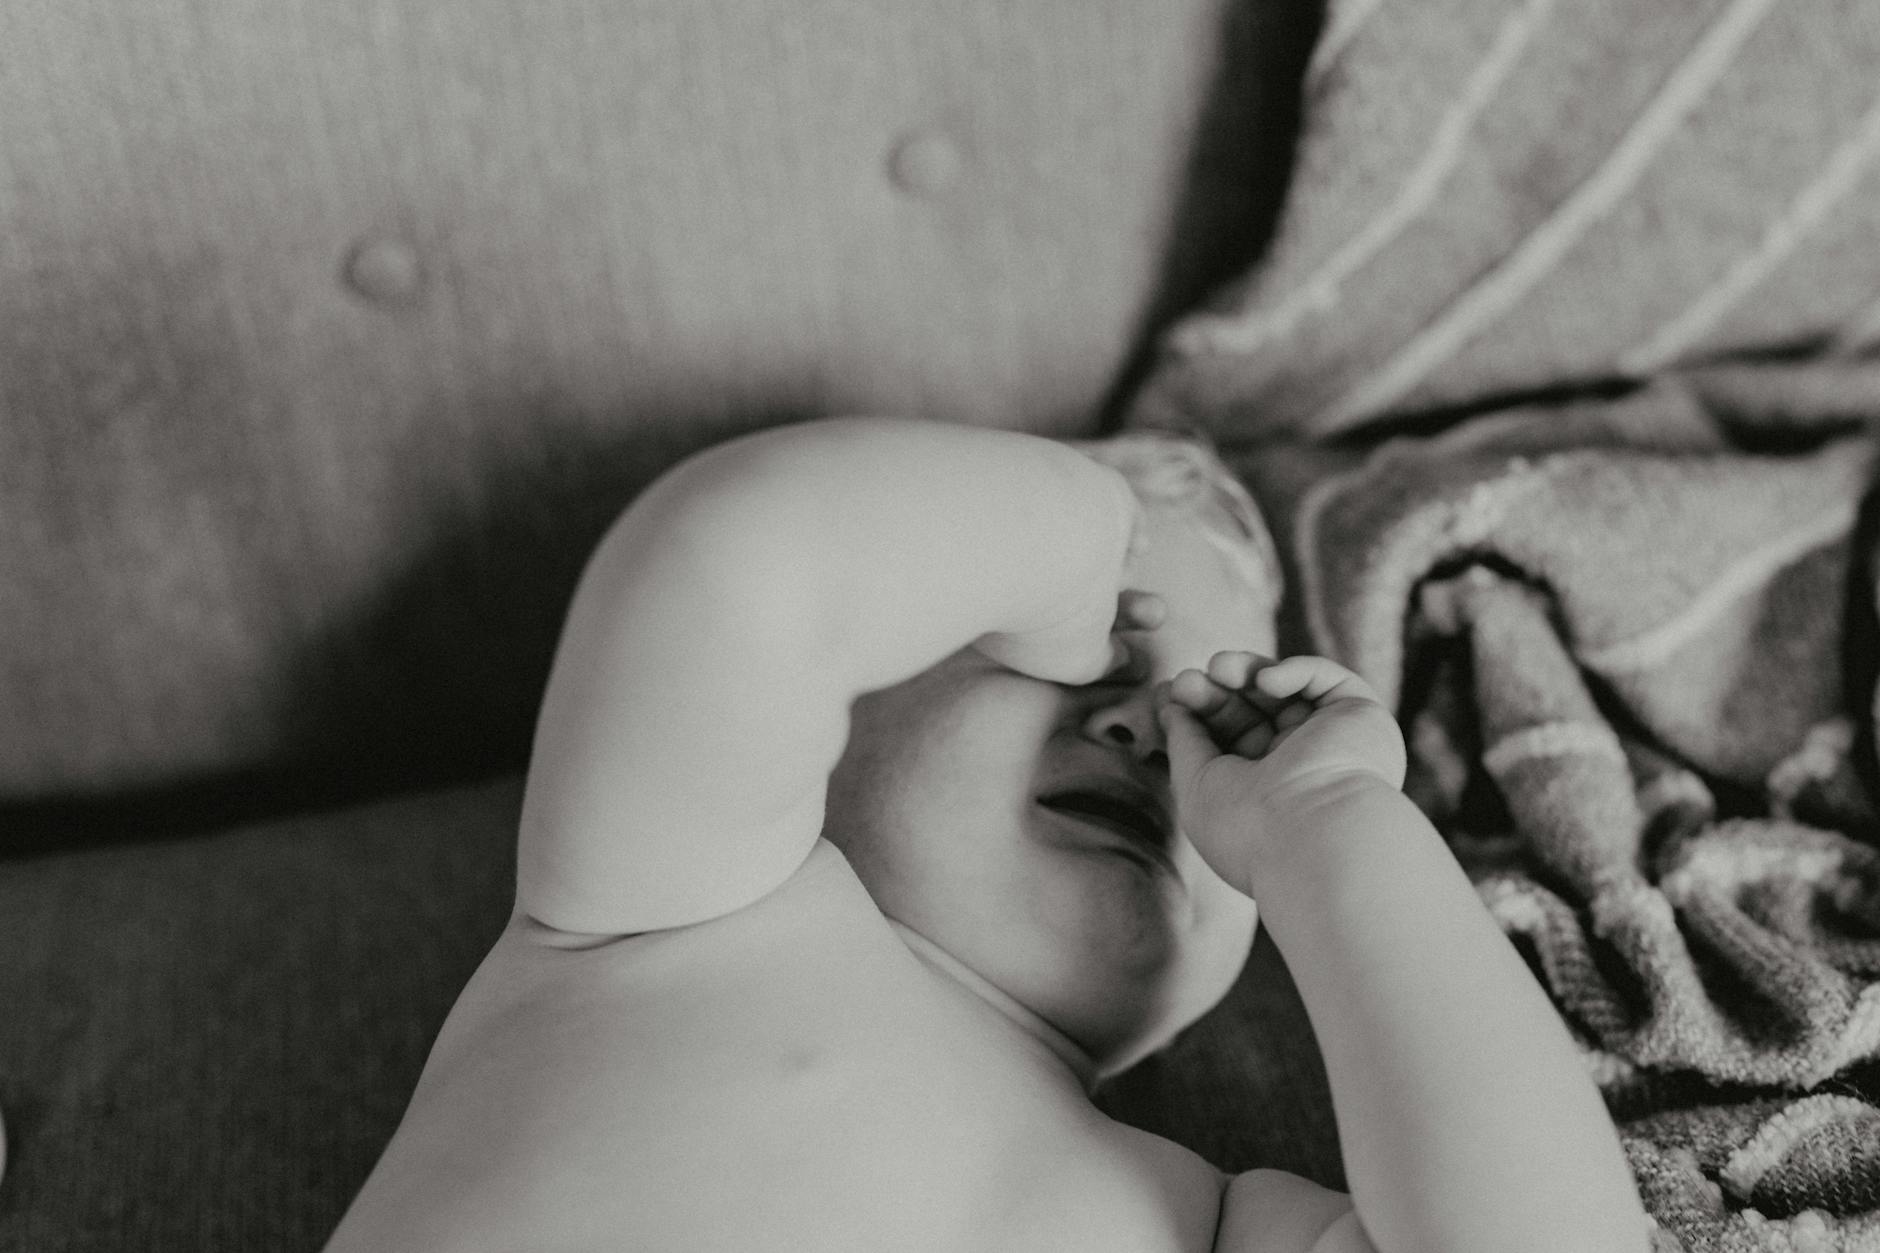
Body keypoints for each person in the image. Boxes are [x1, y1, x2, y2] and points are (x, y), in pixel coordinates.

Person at [322, 416, 1651, 1252]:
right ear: (831, 710)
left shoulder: (1205, 1215)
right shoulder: (674, 915)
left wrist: (1332, 827)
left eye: (1226, 728)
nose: (1148, 727)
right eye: (1092, 648)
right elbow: (737, 565)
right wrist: (1088, 536)